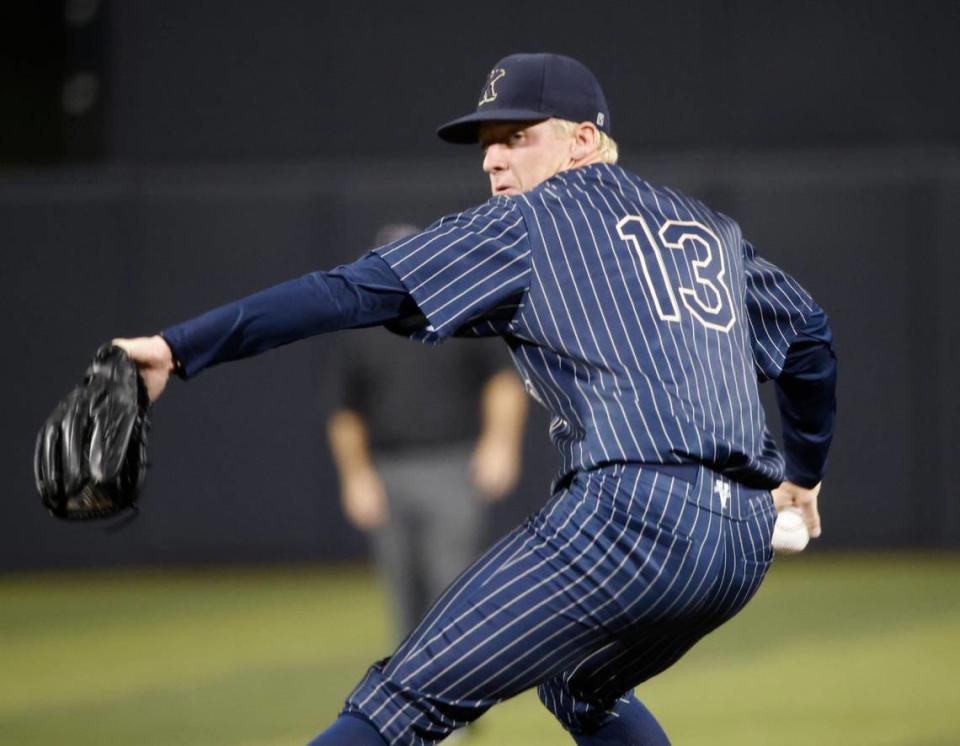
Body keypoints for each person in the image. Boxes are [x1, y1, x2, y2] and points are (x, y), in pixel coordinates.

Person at [114, 52, 836, 746]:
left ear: (583, 140)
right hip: (741, 541)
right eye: (486, 143)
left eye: (516, 138)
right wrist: (801, 476)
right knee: (581, 687)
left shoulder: (528, 221)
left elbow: (346, 292)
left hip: (629, 519)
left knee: (402, 698)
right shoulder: (712, 232)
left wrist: (179, 348)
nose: (493, 159)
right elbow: (808, 337)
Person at [328, 225, 528, 642]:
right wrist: (356, 477)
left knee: (453, 589)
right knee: (403, 596)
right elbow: (346, 411)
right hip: (388, 470)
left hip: (451, 465)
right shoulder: (363, 332)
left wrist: (500, 445)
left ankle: (455, 696)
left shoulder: (456, 314)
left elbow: (501, 382)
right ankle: (418, 700)